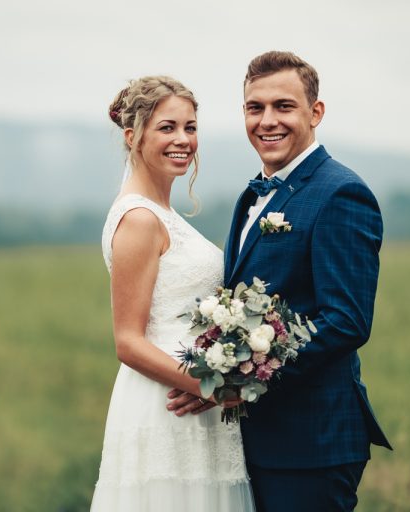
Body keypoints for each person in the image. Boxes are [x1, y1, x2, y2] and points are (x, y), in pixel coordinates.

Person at [167, 51, 393, 511]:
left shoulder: (341, 193)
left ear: (316, 112)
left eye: (283, 106)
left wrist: (237, 381)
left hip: (311, 443)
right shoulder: (253, 193)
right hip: (253, 440)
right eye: (255, 108)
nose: (267, 120)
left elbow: (345, 321)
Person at [90, 76, 255, 511]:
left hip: (193, 399)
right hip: (166, 406)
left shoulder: (162, 213)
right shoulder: (140, 220)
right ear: (133, 136)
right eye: (167, 127)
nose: (183, 139)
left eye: (190, 127)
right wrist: (217, 388)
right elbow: (128, 341)